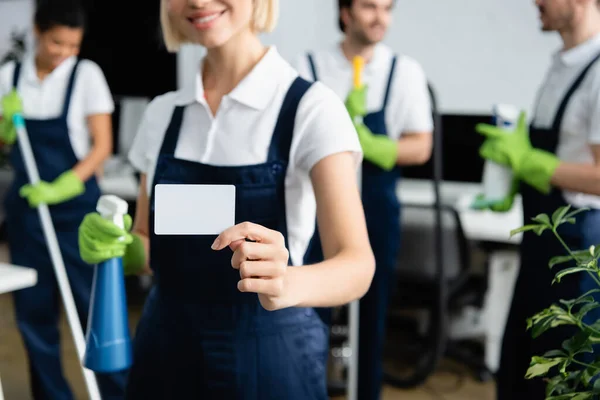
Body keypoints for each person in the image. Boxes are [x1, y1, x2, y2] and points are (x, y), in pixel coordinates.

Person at [77, 0, 376, 398]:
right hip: (165, 349)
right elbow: (150, 243)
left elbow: (357, 265)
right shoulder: (163, 113)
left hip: (268, 353)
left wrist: (285, 282)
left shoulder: (311, 110)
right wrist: (119, 246)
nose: (199, 1)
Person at [294, 0, 433, 398]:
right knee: (309, 313)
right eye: (370, 7)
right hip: (314, 212)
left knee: (372, 318)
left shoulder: (403, 72)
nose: (380, 18)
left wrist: (374, 146)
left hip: (376, 210)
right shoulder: (309, 68)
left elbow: (421, 146)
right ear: (345, 13)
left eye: (387, 9)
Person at [0, 0, 128, 399]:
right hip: (27, 213)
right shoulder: (9, 75)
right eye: (57, 43)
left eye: (73, 45)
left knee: (96, 309)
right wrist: (5, 123)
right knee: (34, 316)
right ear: (37, 31)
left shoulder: (86, 74)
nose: (65, 54)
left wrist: (63, 186)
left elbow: (102, 146)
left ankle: (116, 392)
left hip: (77, 211)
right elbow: (5, 145)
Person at [474, 0, 600, 398]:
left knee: (562, 378)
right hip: (540, 247)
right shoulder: (563, 65)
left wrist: (530, 161)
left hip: (576, 254)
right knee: (520, 369)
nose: (536, 3)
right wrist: (512, 175)